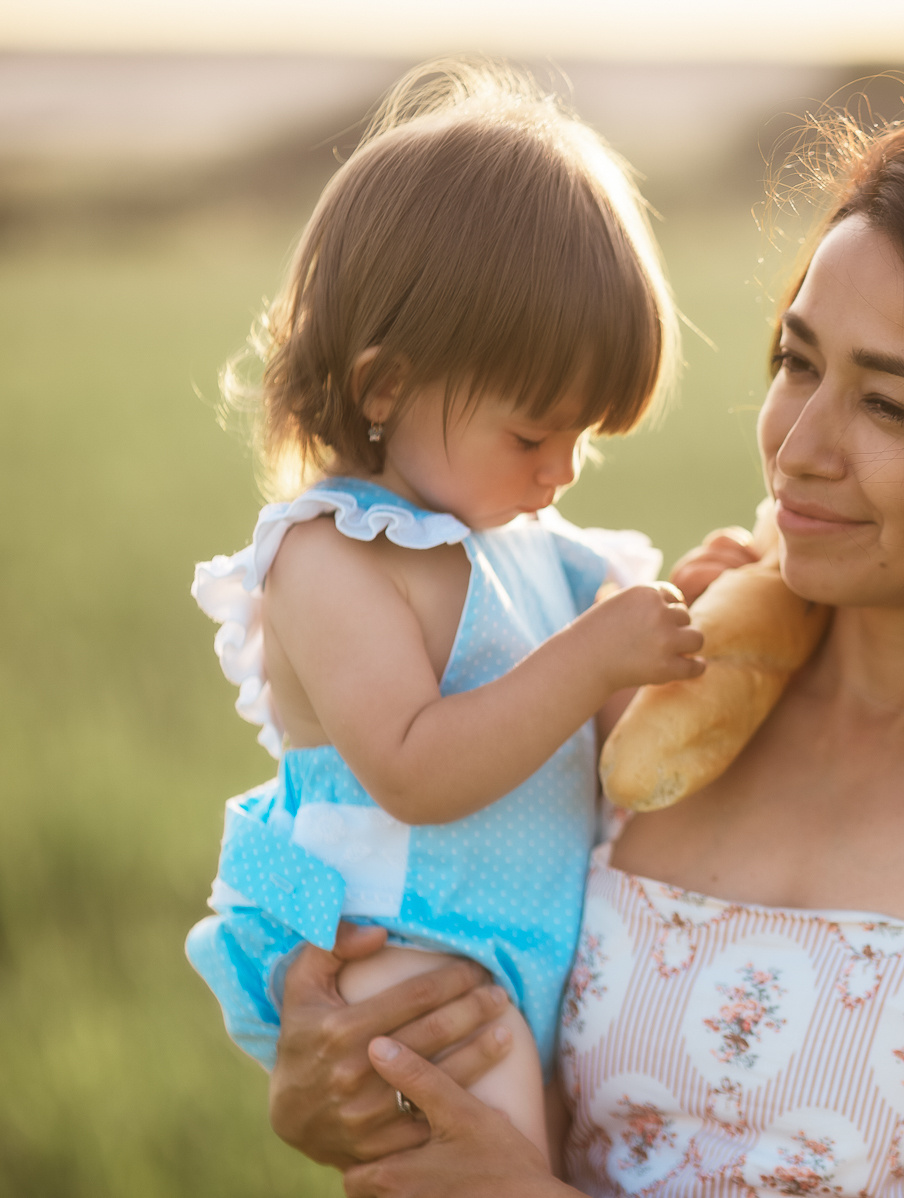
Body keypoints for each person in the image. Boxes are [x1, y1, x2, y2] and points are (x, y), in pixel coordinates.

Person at [265, 110, 904, 1198]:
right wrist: (335, 1076)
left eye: (890, 404)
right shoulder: (640, 694)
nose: (798, 451)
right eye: (797, 363)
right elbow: (394, 910)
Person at [184, 61, 709, 1160]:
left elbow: (614, 730)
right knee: (488, 1163)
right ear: (385, 387)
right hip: (397, 941)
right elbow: (416, 770)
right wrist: (593, 657)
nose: (563, 469)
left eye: (587, 436)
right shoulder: (332, 556)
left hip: (516, 941)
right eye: (534, 434)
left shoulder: (540, 553)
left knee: (556, 1157)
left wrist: (685, 617)